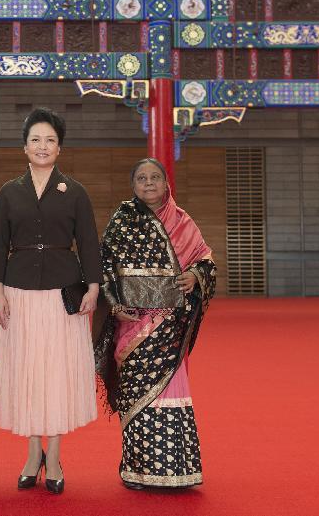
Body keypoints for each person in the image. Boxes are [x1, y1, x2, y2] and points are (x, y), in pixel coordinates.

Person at [0, 107, 100, 494]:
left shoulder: (76, 192)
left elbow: (87, 242)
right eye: (35, 139)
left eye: (50, 140)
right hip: (18, 294)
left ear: (59, 148)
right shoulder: (9, 192)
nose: (42, 146)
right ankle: (31, 454)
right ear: (24, 147)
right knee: (26, 371)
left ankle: (54, 455)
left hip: (62, 293)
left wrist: (95, 287)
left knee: (55, 372)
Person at [93, 158, 216, 490]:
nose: (149, 183)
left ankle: (177, 470)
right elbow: (105, 268)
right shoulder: (122, 221)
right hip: (132, 325)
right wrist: (114, 305)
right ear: (133, 185)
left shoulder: (183, 222)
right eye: (142, 178)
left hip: (169, 325)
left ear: (166, 184)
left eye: (155, 178)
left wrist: (194, 275)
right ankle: (138, 470)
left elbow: (205, 259)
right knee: (137, 395)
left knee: (168, 393)